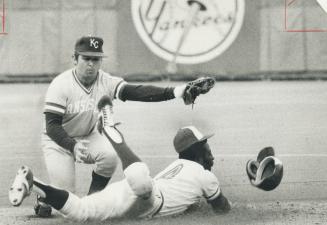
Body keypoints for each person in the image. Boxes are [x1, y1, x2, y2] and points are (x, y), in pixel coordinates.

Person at [38, 36, 215, 216]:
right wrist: (72, 146)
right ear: (75, 59)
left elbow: (136, 92)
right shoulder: (61, 85)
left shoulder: (105, 81)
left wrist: (176, 92)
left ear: (101, 61)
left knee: (109, 156)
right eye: (86, 58)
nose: (91, 64)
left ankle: (92, 198)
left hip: (88, 135)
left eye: (95, 59)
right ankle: (43, 197)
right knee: (65, 202)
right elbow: (52, 126)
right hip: (58, 141)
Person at [10, 96, 231, 221]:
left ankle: (33, 182)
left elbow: (187, 198)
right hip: (149, 198)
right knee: (141, 181)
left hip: (130, 192)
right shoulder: (205, 176)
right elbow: (222, 209)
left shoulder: (179, 165)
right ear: (197, 150)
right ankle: (108, 127)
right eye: (207, 146)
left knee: (80, 211)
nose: (211, 154)